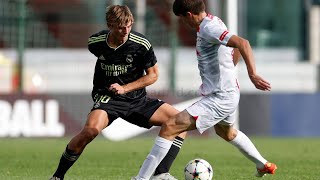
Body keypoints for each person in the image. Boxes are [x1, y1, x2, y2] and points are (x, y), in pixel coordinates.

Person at [133, 0, 277, 179]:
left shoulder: (209, 28)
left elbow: (243, 43)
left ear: (189, 15)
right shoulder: (214, 21)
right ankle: (263, 164)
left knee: (170, 126)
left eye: (183, 20)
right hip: (228, 94)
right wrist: (228, 71)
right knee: (226, 132)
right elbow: (236, 46)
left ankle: (142, 178)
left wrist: (252, 74)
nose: (184, 24)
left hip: (219, 98)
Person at [49, 5, 187, 180]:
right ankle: (57, 176)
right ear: (110, 25)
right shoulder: (95, 43)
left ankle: (161, 173)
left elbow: (153, 76)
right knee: (90, 131)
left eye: (129, 25)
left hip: (137, 99)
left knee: (181, 123)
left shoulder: (141, 44)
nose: (125, 30)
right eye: (121, 26)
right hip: (108, 99)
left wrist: (125, 88)